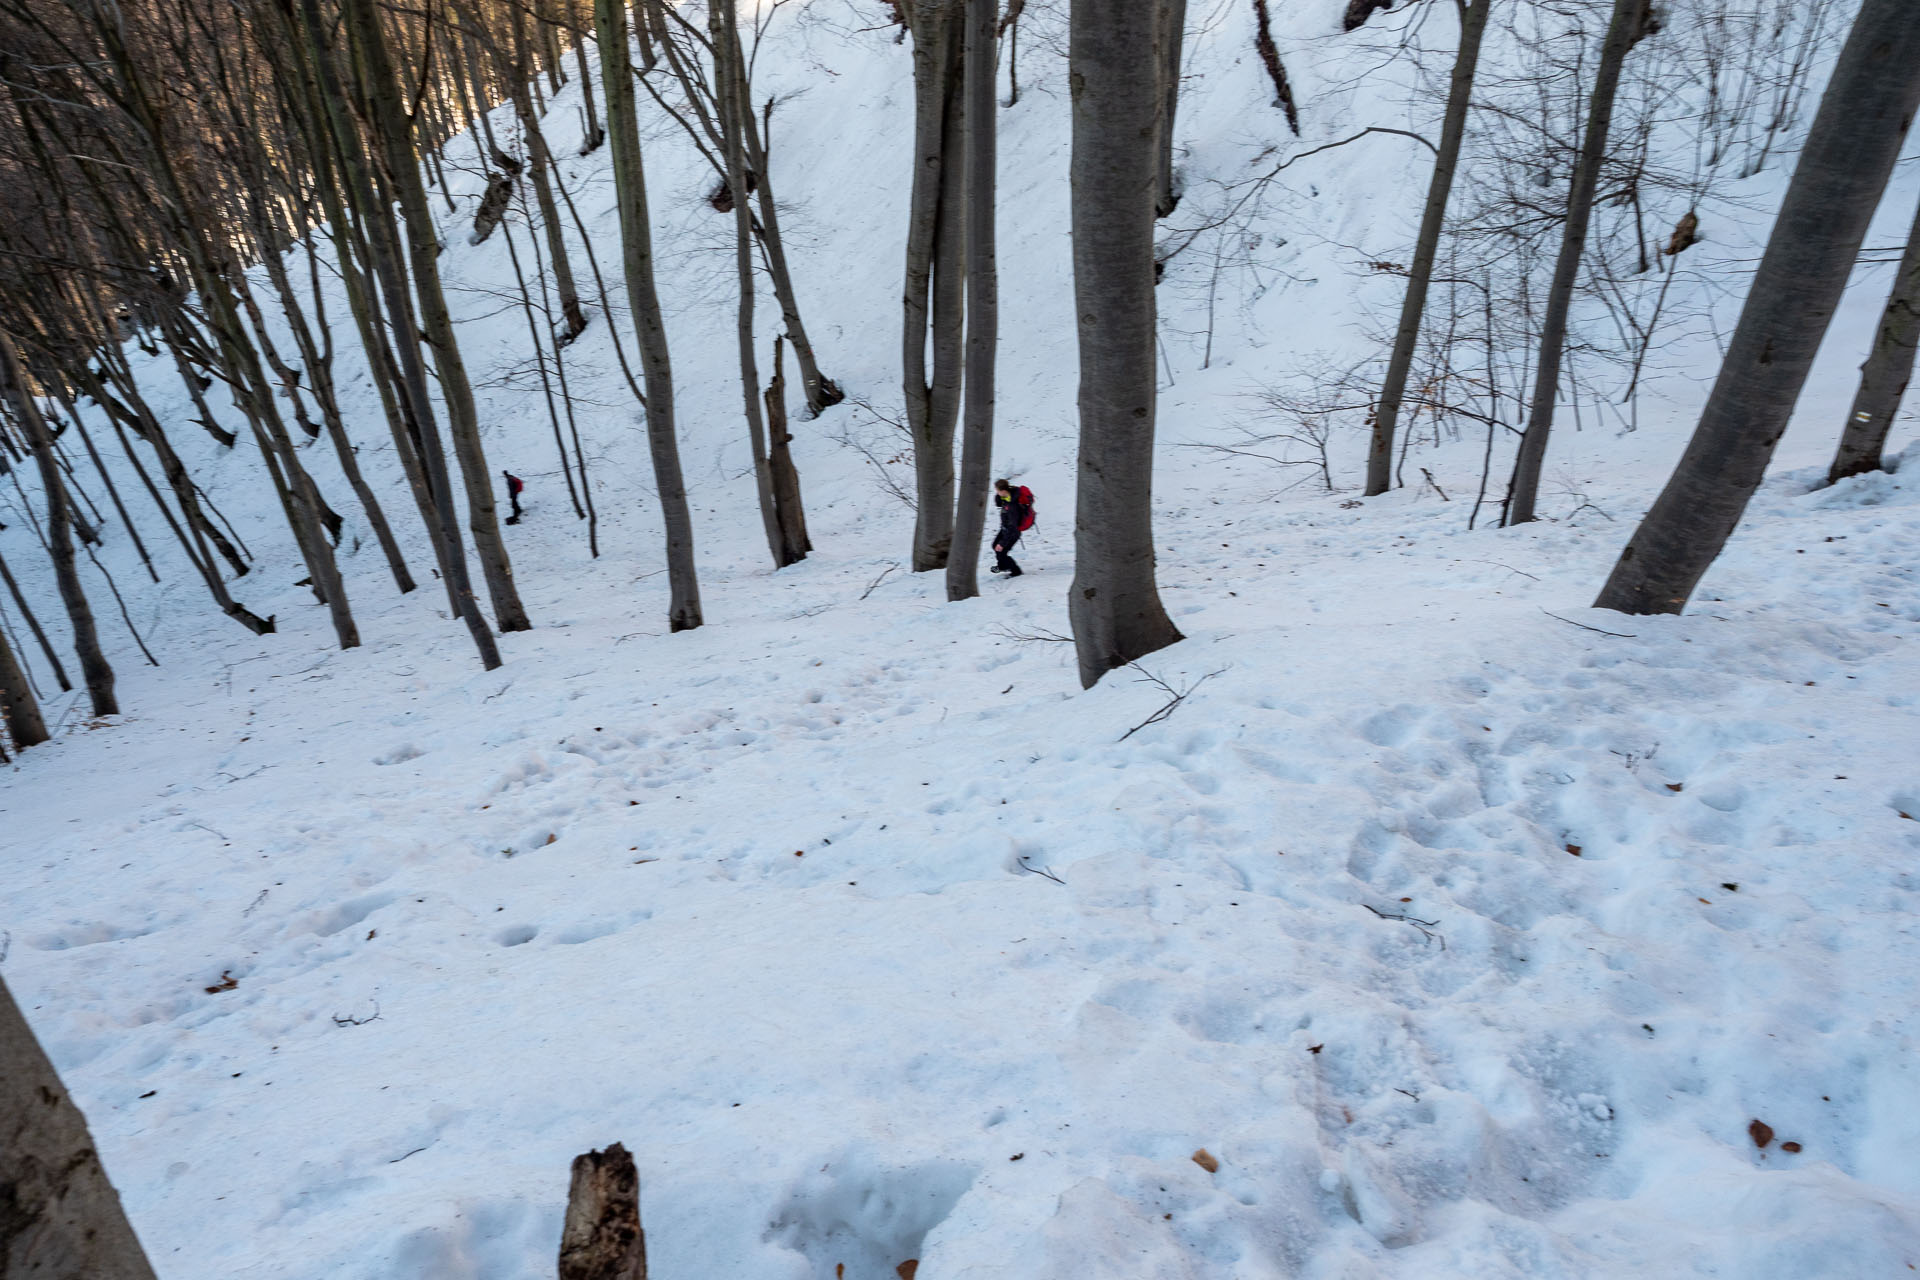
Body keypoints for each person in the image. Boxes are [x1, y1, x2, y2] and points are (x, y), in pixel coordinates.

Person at [990, 478, 1032, 577]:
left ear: (1003, 491)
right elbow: (1000, 503)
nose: (997, 493)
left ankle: (1016, 570)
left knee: (1001, 550)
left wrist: (1002, 542)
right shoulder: (1007, 497)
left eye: (997, 491)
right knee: (995, 546)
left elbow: (1012, 527)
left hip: (1012, 532)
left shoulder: (1013, 507)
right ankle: (1002, 566)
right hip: (1005, 528)